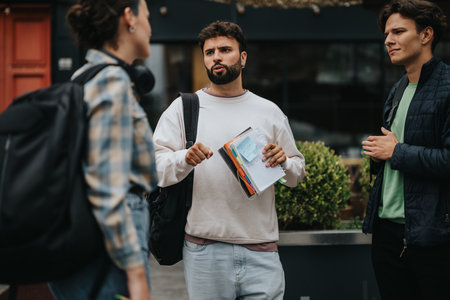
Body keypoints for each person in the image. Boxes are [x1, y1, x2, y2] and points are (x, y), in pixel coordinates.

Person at [152, 21, 305, 299]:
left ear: (243, 57)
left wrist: (284, 162)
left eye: (225, 50)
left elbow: (296, 175)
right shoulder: (184, 109)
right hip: (204, 249)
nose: (216, 57)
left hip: (262, 249)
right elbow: (156, 168)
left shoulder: (268, 111)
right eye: (209, 52)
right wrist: (184, 158)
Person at [48, 0, 157, 299]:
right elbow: (108, 187)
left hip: (82, 235)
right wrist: (134, 271)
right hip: (108, 248)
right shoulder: (111, 79)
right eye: (146, 16)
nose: (151, 26)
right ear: (129, 18)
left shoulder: (82, 76)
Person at [361, 1, 450, 299]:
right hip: (387, 233)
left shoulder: (447, 86)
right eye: (387, 33)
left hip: (433, 237)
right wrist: (379, 155)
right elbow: (393, 155)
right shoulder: (398, 89)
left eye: (398, 31)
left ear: (426, 35)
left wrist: (396, 152)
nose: (388, 40)